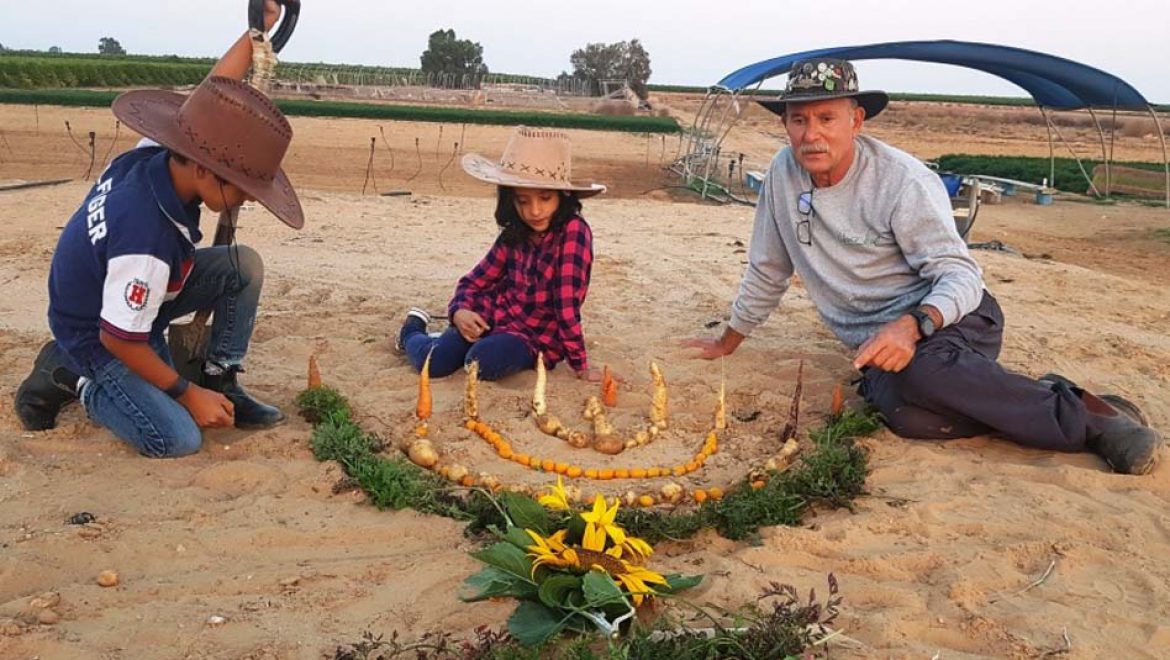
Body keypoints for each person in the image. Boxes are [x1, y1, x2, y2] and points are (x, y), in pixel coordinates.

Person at [684, 57, 1161, 475]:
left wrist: (911, 326)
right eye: (798, 120)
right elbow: (768, 269)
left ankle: (1095, 422)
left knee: (926, 378)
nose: (811, 135)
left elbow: (961, 276)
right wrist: (729, 340)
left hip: (953, 318)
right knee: (910, 420)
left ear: (856, 120)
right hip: (878, 345)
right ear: (785, 124)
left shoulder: (902, 181)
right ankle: (1044, 393)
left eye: (826, 117)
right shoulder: (781, 181)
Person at [13, 0, 304, 458]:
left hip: (130, 298)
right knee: (175, 437)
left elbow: (215, 93)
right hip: (98, 331)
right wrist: (185, 395)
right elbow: (118, 338)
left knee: (242, 265)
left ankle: (219, 377)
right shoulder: (146, 237)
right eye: (244, 189)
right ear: (206, 171)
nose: (248, 199)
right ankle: (69, 375)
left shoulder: (163, 152)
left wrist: (258, 32)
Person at [396, 126, 607, 382]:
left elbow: (566, 305)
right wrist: (459, 311)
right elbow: (473, 282)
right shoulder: (513, 233)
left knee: (480, 363)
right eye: (523, 201)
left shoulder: (574, 232)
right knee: (433, 364)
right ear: (511, 201)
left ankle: (448, 340)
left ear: (563, 196)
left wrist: (580, 365)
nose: (535, 211)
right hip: (489, 317)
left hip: (534, 336)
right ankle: (411, 330)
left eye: (545, 198)